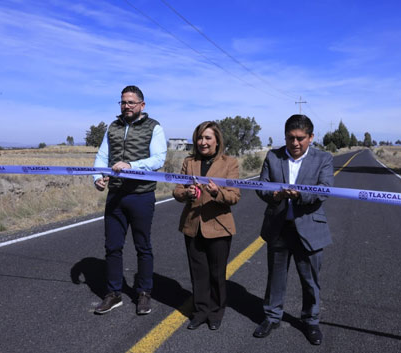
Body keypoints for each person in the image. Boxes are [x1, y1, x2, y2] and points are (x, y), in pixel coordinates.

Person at [253, 114, 333, 346]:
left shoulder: (323, 158)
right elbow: (262, 186)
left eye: (300, 138)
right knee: (275, 278)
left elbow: (325, 189)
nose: (295, 143)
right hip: (278, 228)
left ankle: (311, 321)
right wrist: (274, 194)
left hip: (309, 229)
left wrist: (300, 194)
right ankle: (272, 316)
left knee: (310, 280)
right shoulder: (273, 156)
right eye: (290, 138)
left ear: (311, 137)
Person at [92, 85, 167, 315]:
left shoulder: (154, 127)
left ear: (142, 105)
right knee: (112, 246)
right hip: (116, 195)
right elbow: (102, 156)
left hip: (141, 195)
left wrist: (131, 166)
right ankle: (113, 293)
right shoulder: (113, 127)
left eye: (131, 102)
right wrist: (97, 177)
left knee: (143, 246)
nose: (126, 106)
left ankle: (144, 293)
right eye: (123, 102)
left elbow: (158, 159)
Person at [173, 121, 240, 330]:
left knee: (216, 273)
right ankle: (201, 311)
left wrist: (216, 192)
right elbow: (177, 190)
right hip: (192, 225)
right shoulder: (189, 161)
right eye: (200, 138)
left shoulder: (230, 163)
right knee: (198, 272)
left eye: (207, 138)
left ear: (217, 140)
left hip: (219, 226)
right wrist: (186, 193)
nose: (203, 142)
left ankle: (216, 312)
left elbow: (234, 196)